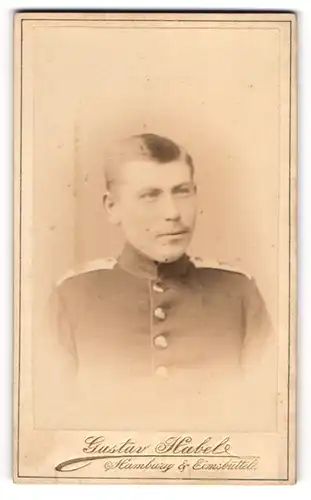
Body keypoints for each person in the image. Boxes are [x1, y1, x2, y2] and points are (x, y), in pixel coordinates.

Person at [34, 133, 276, 431]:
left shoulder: (238, 293)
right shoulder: (71, 297)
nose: (173, 213)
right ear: (113, 207)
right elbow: (50, 429)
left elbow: (268, 423)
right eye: (150, 195)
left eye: (182, 191)